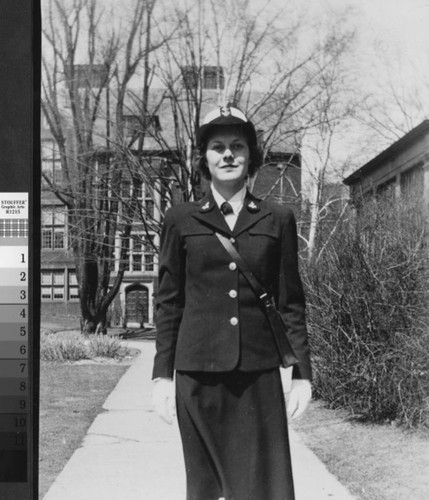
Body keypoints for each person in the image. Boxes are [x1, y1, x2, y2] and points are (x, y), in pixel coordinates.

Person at [152, 105, 312, 500]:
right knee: (206, 489)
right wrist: (161, 375)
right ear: (204, 158)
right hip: (198, 373)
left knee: (263, 488)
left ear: (251, 155)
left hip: (257, 376)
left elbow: (290, 301)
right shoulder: (179, 218)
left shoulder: (278, 218)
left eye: (237, 146)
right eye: (217, 146)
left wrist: (303, 375)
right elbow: (170, 302)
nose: (227, 155)